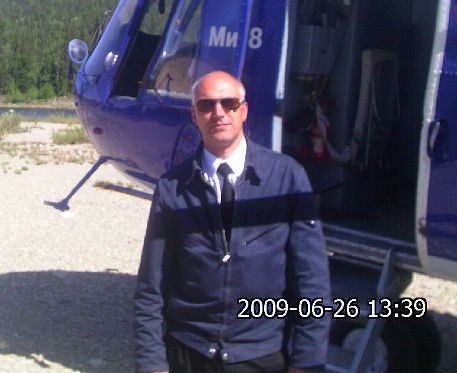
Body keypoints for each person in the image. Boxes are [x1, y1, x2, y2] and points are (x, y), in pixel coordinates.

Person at [134, 71, 331, 373]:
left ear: (244, 111)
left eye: (229, 104)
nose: (219, 113)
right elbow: (152, 284)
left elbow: (311, 280)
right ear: (194, 116)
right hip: (190, 353)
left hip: (261, 354)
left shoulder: (287, 178)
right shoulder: (172, 188)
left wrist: (306, 360)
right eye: (206, 105)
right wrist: (151, 363)